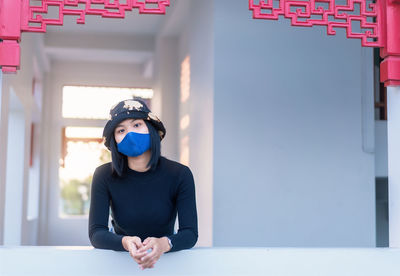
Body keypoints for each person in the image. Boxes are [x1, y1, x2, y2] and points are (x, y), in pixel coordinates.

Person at [88, 98, 198, 270]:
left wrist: (163, 244)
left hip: (168, 266)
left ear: (152, 129)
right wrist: (125, 242)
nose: (129, 133)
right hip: (118, 266)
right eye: (121, 130)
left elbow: (190, 234)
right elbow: (96, 233)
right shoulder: (103, 175)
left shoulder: (180, 174)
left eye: (137, 125)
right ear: (114, 140)